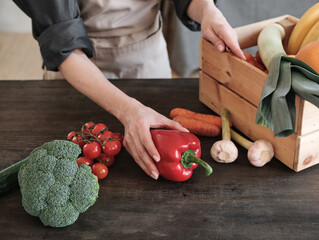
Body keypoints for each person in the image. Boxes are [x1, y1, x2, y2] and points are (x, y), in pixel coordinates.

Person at [13, 0, 245, 180]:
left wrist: (208, 11)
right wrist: (130, 111)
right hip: (75, 74)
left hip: (147, 58)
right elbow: (63, 43)